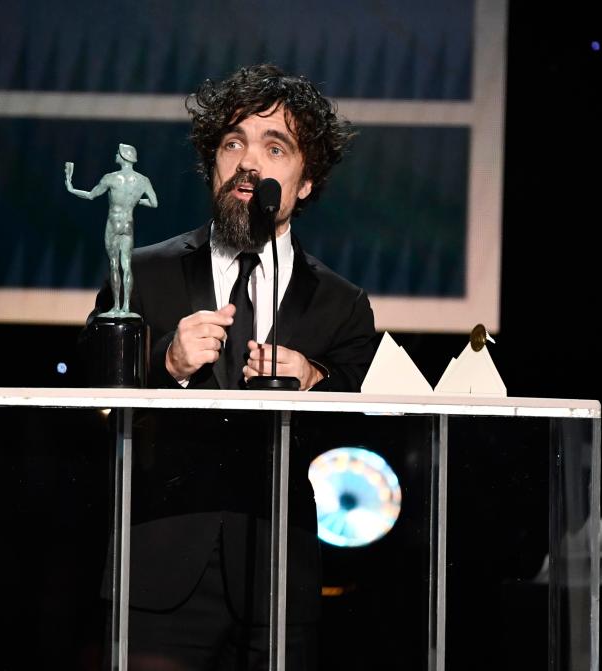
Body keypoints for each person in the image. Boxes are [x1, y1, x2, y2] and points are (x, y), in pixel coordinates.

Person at [86, 64, 377, 670]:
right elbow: (93, 399)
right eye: (233, 143)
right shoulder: (146, 272)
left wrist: (314, 379)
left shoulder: (341, 303)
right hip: (157, 579)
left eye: (276, 147)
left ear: (305, 183)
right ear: (212, 164)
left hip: (278, 583)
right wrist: (166, 361)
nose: (250, 162)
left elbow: (369, 432)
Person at [67, 143, 158, 317]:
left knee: (114, 265)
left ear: (124, 156)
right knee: (127, 265)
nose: (115, 155)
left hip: (114, 224)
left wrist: (71, 188)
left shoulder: (111, 178)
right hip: (128, 224)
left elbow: (91, 195)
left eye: (118, 152)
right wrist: (135, 201)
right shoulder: (142, 180)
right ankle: (126, 307)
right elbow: (154, 203)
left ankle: (116, 307)